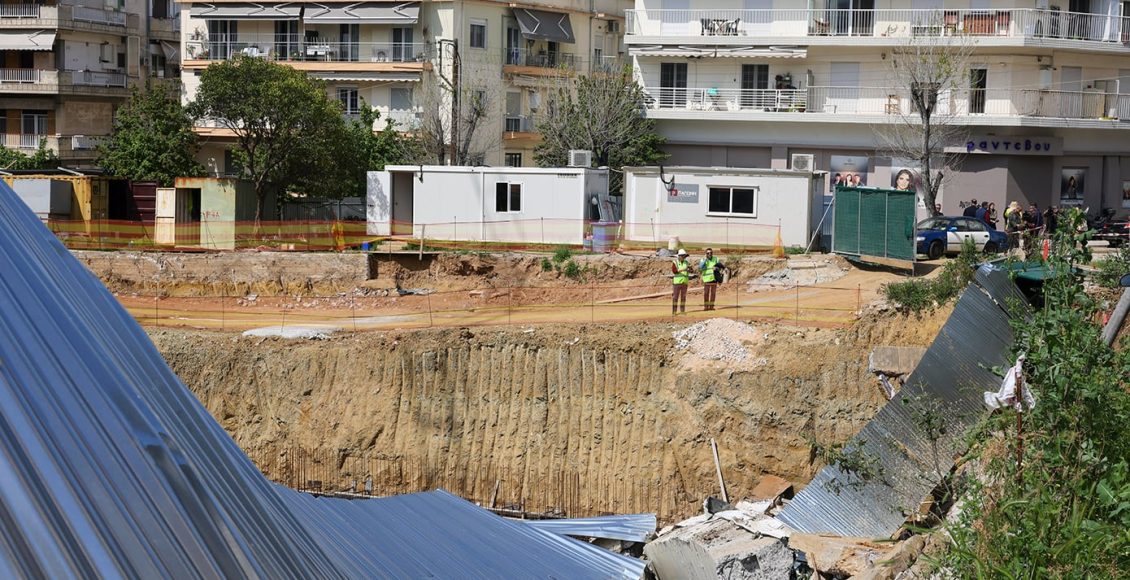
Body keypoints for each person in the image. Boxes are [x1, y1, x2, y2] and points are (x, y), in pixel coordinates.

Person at [671, 249, 693, 315]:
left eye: (684, 256)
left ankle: (682, 311)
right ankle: (674, 311)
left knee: (683, 297)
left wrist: (690, 269)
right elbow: (674, 271)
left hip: (684, 282)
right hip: (677, 283)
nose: (684, 257)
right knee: (675, 297)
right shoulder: (675, 262)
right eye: (683, 256)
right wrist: (684, 269)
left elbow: (691, 271)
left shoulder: (687, 263)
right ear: (679, 256)